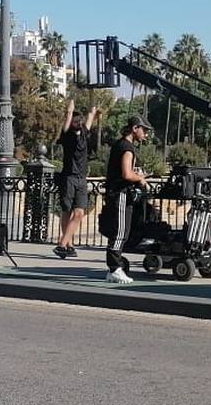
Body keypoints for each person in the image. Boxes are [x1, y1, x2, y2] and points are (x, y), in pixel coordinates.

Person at [102, 116, 152, 284]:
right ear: (134, 128)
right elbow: (126, 173)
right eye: (144, 130)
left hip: (115, 193)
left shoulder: (120, 144)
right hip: (120, 194)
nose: (145, 134)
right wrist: (141, 179)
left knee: (119, 232)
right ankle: (115, 268)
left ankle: (113, 269)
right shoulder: (127, 147)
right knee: (120, 232)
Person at [54, 99, 100, 259]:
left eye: (79, 119)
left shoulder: (85, 134)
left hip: (81, 178)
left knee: (79, 212)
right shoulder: (67, 135)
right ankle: (68, 244)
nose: (78, 121)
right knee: (66, 211)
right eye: (75, 120)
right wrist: (70, 107)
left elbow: (91, 114)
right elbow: (67, 118)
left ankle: (62, 244)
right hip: (68, 178)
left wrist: (92, 100)